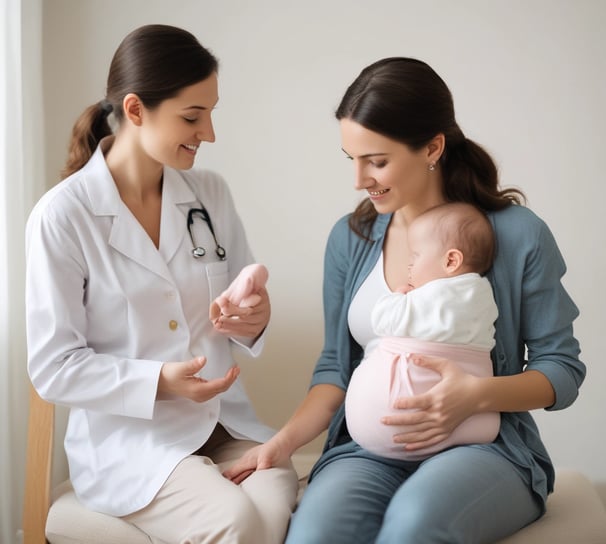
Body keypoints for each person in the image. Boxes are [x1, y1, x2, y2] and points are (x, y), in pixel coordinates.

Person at [224, 57, 585, 543]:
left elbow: (561, 368)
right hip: (369, 450)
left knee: (414, 525)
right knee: (315, 535)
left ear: (433, 147)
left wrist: (476, 395)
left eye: (376, 161)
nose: (359, 180)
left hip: (487, 449)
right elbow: (335, 367)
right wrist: (281, 444)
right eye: (350, 159)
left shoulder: (518, 235)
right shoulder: (349, 240)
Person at [25, 24, 298, 544]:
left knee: (272, 497)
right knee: (237, 522)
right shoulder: (63, 216)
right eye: (193, 117)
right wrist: (159, 382)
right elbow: (53, 369)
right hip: (133, 442)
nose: (209, 133)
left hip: (226, 425)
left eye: (211, 112)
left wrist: (253, 317)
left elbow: (244, 302)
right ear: (135, 110)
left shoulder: (209, 194)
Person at [345, 201, 500, 460]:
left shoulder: (434, 294)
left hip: (409, 429)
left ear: (451, 260)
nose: (409, 265)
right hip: (475, 424)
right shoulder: (482, 294)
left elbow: (384, 320)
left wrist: (398, 296)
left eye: (415, 256)